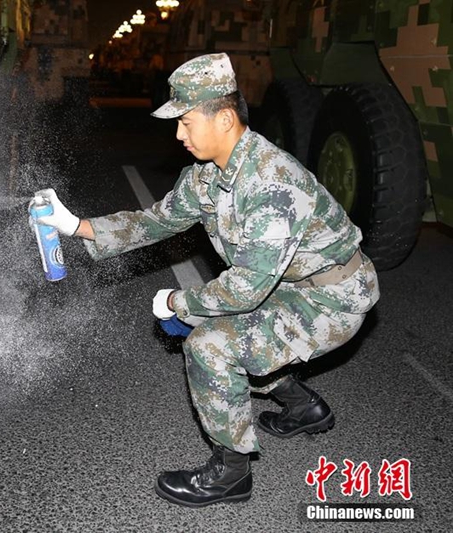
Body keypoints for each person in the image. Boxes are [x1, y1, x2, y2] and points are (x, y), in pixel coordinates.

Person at [33, 53, 380, 508]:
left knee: (210, 344)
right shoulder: (208, 175)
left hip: (333, 299)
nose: (179, 134)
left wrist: (178, 302)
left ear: (225, 119)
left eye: (186, 121)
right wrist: (75, 225)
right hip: (290, 286)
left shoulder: (272, 184)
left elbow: (245, 289)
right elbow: (155, 221)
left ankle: (231, 475)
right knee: (230, 325)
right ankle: (304, 407)